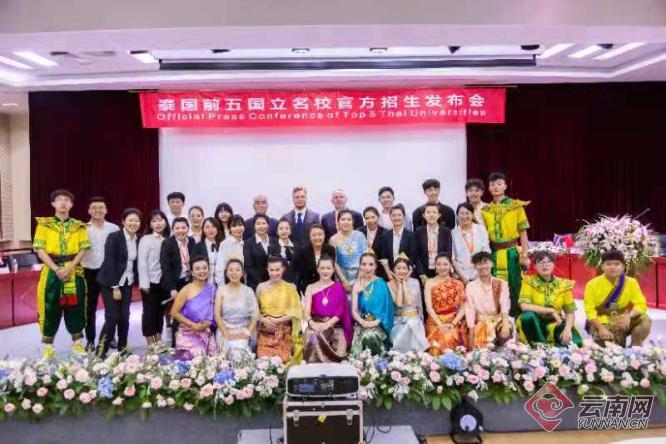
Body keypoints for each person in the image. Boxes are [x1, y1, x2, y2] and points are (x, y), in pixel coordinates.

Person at [32, 189, 91, 357]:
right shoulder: (44, 225)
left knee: (76, 306)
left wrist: (69, 267)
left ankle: (78, 344)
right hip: (51, 272)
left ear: (71, 204)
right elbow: (40, 250)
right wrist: (56, 268)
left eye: (67, 200)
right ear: (53, 204)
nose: (63, 203)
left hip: (74, 271)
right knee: (49, 306)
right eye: (59, 199)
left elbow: (83, 249)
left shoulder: (79, 226)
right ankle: (48, 346)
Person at [482, 172, 531, 317]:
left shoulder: (516, 206)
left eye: (499, 184)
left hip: (512, 252)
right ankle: (499, 319)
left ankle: (518, 318)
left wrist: (525, 256)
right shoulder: (486, 210)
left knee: (515, 285)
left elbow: (523, 232)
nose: (496, 187)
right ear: (489, 188)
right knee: (494, 286)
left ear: (505, 186)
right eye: (492, 185)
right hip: (493, 254)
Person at [95, 208, 142, 357]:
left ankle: (122, 348)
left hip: (127, 281)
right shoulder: (114, 237)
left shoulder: (138, 239)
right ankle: (101, 350)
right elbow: (109, 263)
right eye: (130, 220)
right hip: (110, 281)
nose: (133, 223)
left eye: (136, 220)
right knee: (112, 316)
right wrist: (115, 287)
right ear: (123, 222)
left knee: (124, 315)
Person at [583, 250, 651, 347]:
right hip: (602, 321)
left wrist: (629, 316)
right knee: (611, 349)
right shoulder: (592, 285)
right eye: (608, 264)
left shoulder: (631, 282)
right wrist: (601, 328)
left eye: (617, 264)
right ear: (602, 267)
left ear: (623, 267)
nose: (613, 267)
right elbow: (589, 312)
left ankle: (635, 347)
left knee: (645, 320)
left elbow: (641, 304)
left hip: (623, 319)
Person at [516, 251, 582, 347]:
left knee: (575, 342)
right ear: (535, 266)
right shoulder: (529, 282)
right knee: (527, 317)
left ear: (554, 265)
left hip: (556, 322)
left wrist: (567, 329)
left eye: (548, 262)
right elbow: (524, 306)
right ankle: (537, 344)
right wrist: (550, 310)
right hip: (535, 322)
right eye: (540, 262)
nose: (545, 265)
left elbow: (570, 312)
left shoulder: (563, 285)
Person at [81, 196, 119, 351]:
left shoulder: (114, 228)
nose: (98, 210)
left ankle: (110, 337)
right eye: (94, 208)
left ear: (106, 210)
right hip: (88, 271)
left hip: (108, 272)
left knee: (111, 308)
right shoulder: (82, 228)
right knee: (89, 308)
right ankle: (90, 339)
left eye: (101, 207)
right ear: (89, 210)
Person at [303, 255, 353, 363]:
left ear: (333, 270)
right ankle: (313, 366)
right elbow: (306, 312)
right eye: (322, 268)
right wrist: (312, 323)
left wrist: (327, 324)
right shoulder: (310, 288)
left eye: (328, 268)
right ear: (317, 269)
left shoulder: (338, 287)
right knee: (313, 334)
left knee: (331, 339)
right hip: (315, 323)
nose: (325, 271)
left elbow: (340, 311)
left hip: (334, 325)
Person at [256, 257, 304, 364]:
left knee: (281, 361)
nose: (274, 273)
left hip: (284, 331)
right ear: (267, 270)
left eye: (277, 270)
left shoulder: (290, 287)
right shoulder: (260, 287)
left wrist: (277, 320)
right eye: (271, 270)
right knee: (264, 362)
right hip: (266, 330)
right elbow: (255, 311)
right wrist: (264, 320)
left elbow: (297, 311)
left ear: (283, 269)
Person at [170, 256, 219, 360]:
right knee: (195, 357)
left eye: (205, 268)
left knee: (213, 361)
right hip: (187, 333)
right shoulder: (186, 290)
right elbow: (174, 312)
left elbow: (216, 313)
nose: (202, 271)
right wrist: (193, 325)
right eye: (197, 269)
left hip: (206, 332)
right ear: (192, 272)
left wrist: (208, 323)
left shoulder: (213, 290)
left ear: (209, 269)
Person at [349, 251, 394, 358]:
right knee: (364, 337)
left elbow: (386, 310)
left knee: (370, 335)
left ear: (376, 266)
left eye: (371, 264)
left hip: (379, 324)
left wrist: (373, 323)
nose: (367, 268)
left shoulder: (381, 284)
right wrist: (362, 322)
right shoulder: (357, 285)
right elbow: (354, 311)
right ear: (360, 266)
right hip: (362, 324)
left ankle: (377, 362)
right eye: (364, 264)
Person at [465, 251, 512, 349]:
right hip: (480, 323)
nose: (483, 266)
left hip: (498, 320)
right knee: (480, 351)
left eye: (485, 262)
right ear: (475, 266)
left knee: (506, 333)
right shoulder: (470, 286)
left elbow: (504, 305)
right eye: (479, 263)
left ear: (492, 264)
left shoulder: (501, 283)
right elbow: (470, 311)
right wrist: (470, 337)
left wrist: (505, 324)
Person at [160, 217, 196, 346]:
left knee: (190, 312)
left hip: (189, 281)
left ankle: (190, 341)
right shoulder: (167, 243)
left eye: (183, 228)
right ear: (173, 230)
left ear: (188, 228)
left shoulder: (191, 241)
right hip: (175, 283)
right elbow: (165, 268)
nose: (180, 230)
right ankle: (175, 344)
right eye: (177, 228)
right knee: (177, 313)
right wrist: (172, 289)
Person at [138, 210, 170, 346]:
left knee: (160, 311)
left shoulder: (168, 239)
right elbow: (142, 262)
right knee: (149, 312)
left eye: (160, 220)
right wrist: (144, 283)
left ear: (165, 222)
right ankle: (150, 341)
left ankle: (158, 336)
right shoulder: (146, 239)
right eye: (154, 221)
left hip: (163, 282)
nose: (158, 223)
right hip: (150, 282)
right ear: (150, 224)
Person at [214, 259, 258, 357]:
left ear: (242, 273)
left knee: (240, 355)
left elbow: (255, 315)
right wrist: (226, 333)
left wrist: (248, 332)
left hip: (244, 329)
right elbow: (217, 315)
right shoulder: (221, 290)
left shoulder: (248, 291)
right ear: (226, 273)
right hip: (225, 329)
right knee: (226, 355)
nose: (234, 273)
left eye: (237, 270)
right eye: (231, 270)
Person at [424, 253, 466, 355]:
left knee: (450, 337)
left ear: (450, 266)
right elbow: (429, 308)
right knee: (437, 343)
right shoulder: (429, 283)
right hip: (435, 321)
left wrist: (452, 324)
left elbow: (463, 308)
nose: (442, 267)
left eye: (445, 264)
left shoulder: (458, 284)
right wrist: (440, 324)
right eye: (438, 264)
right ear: (435, 266)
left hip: (453, 321)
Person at [388, 254, 429, 353]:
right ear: (393, 270)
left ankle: (414, 357)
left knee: (412, 323)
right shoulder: (389, 284)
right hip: (398, 321)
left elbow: (409, 301)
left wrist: (404, 283)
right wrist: (400, 284)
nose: (401, 271)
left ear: (408, 270)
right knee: (404, 328)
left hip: (414, 318)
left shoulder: (415, 282)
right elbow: (399, 303)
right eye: (398, 268)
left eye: (404, 268)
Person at [291, 224, 336, 295]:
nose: (317, 237)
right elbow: (300, 273)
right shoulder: (302, 252)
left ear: (324, 236)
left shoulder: (330, 250)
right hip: (309, 288)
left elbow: (331, 269)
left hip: (327, 287)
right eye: (314, 235)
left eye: (320, 234)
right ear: (310, 236)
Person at [451, 202, 491, 284]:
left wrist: (480, 274)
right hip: (460, 276)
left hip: (480, 274)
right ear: (457, 215)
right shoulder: (453, 233)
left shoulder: (481, 230)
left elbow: (486, 253)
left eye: (467, 213)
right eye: (461, 213)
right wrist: (463, 278)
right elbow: (452, 259)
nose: (464, 216)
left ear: (472, 215)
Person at [414, 202, 453, 285]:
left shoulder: (446, 232)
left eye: (434, 212)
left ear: (439, 215)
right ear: (424, 215)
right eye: (428, 212)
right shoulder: (418, 232)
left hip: (441, 271)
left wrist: (443, 271)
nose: (431, 215)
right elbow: (416, 255)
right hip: (424, 273)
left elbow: (448, 253)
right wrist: (421, 275)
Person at [330, 210, 368, 293]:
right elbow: (334, 262)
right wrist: (344, 281)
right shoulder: (333, 239)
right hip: (341, 278)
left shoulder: (360, 236)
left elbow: (365, 258)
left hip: (361, 275)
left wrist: (358, 279)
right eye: (343, 219)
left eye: (349, 219)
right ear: (338, 222)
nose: (346, 222)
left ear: (353, 222)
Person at [375, 205, 416, 279]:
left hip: (407, 275)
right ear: (390, 217)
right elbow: (383, 257)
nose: (396, 218)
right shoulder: (385, 236)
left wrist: (406, 276)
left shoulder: (411, 236)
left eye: (399, 215)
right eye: (394, 215)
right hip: (389, 274)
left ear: (404, 216)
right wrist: (390, 275)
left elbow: (412, 257)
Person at [243, 215, 280, 290]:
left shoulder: (275, 241)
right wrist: (262, 284)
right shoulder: (248, 243)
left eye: (263, 223)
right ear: (254, 226)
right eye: (258, 224)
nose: (261, 226)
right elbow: (249, 267)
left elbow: (278, 261)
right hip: (255, 285)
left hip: (274, 283)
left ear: (268, 225)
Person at [215, 214, 246, 285]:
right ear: (229, 228)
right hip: (228, 282)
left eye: (240, 225)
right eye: (234, 226)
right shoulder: (225, 244)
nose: (238, 228)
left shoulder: (246, 243)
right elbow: (220, 268)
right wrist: (222, 286)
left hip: (244, 283)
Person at [194, 217, 222, 285]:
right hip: (204, 282)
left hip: (221, 283)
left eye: (213, 227)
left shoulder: (223, 245)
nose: (210, 230)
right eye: (207, 227)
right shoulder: (197, 246)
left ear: (217, 229)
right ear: (203, 230)